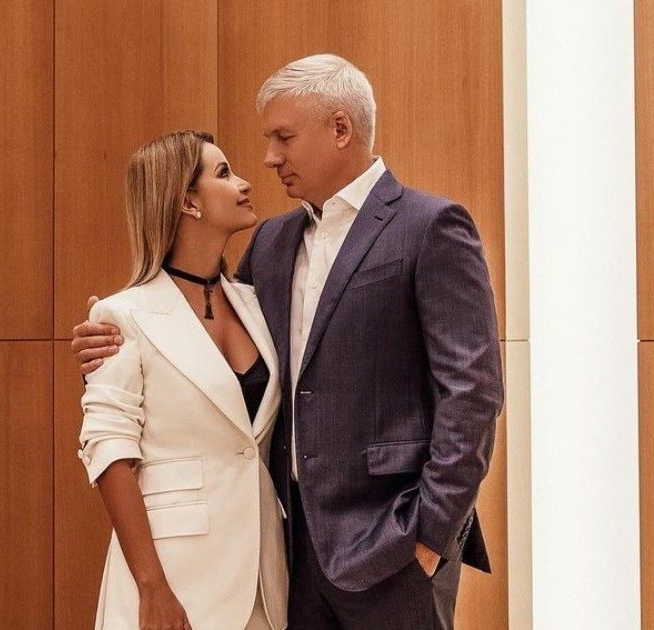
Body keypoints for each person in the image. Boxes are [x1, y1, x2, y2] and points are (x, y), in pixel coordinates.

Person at [73, 54, 504, 629]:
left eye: (283, 137)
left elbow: (472, 393)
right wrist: (107, 344)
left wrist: (431, 534)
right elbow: (205, 354)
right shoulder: (271, 243)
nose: (270, 158)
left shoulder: (430, 226)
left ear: (340, 129)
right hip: (287, 556)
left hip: (396, 545)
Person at [76, 130, 288, 630]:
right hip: (171, 578)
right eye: (223, 173)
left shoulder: (256, 305)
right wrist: (152, 587)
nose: (244, 182)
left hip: (263, 577)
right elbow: (110, 452)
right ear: (187, 201)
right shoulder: (122, 315)